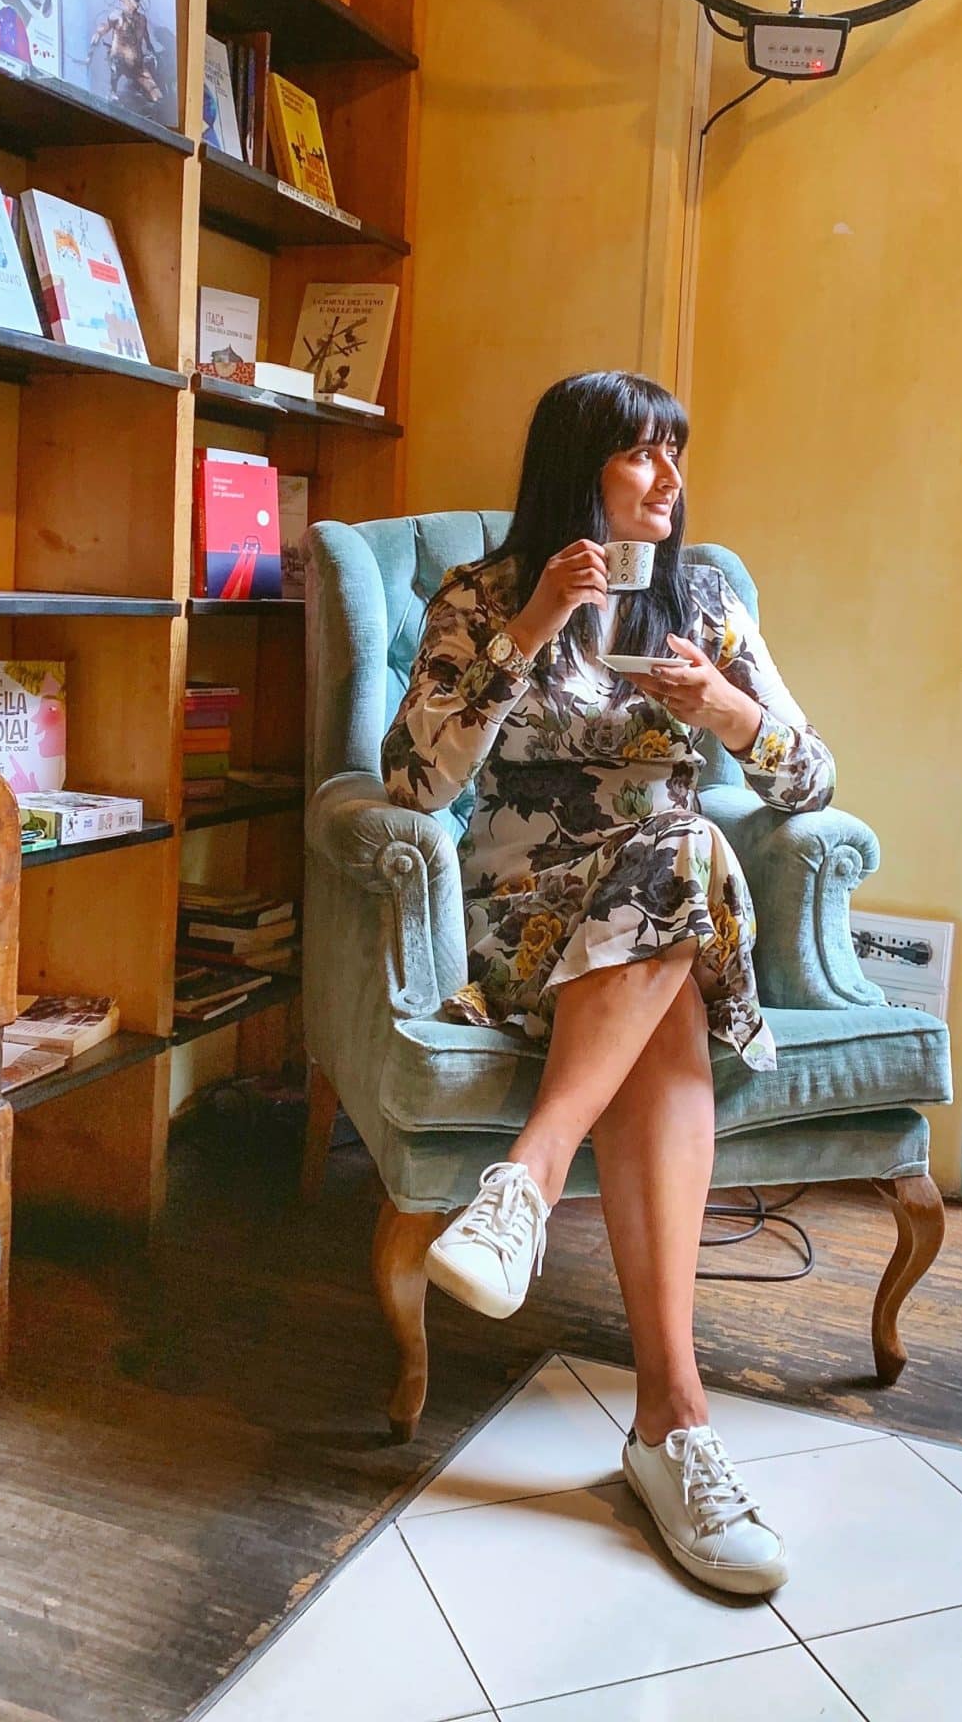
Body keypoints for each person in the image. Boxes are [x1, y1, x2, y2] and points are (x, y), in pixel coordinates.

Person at [381, 370, 835, 1596]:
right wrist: (529, 629)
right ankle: (670, 1434)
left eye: (678, 454)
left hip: (661, 893)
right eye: (645, 456)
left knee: (682, 851)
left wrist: (730, 714)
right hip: (521, 920)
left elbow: (811, 782)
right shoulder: (481, 595)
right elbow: (415, 785)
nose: (673, 482)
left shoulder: (705, 601)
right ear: (578, 469)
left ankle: (524, 1185)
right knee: (674, 957)